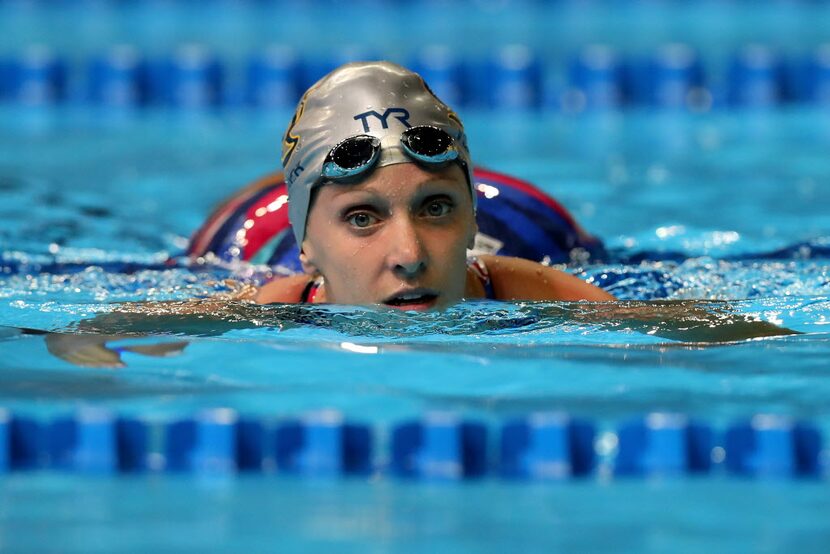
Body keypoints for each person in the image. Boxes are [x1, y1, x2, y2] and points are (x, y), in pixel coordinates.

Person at [42, 61, 797, 367]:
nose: (409, 253)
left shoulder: (528, 287)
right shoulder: (270, 301)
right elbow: (97, 331)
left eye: (437, 209)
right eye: (363, 218)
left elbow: (716, 331)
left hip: (529, 219)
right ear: (309, 248)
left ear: (469, 221)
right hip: (251, 226)